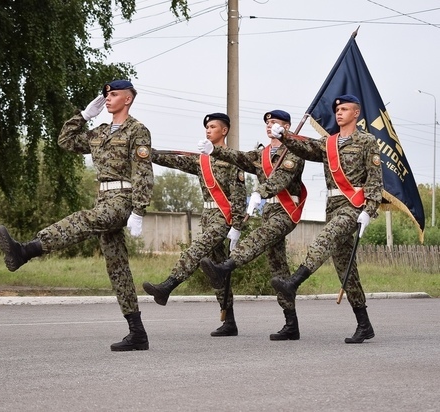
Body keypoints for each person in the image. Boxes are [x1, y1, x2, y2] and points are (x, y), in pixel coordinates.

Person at [0, 80, 154, 352]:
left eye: (113, 95)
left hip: (123, 198)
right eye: (106, 95)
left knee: (85, 219)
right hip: (104, 197)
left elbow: (143, 171)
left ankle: (28, 249)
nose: (107, 99)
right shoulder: (100, 132)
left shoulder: (137, 130)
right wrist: (83, 116)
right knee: (117, 266)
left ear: (127, 99)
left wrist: (139, 209)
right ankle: (137, 333)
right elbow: (65, 141)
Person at [269, 94, 383, 344]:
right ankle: (364, 324)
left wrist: (369, 210)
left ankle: (293, 282)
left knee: (325, 238)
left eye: (344, 109)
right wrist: (284, 136)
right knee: (345, 268)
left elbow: (374, 179)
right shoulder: (328, 143)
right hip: (332, 206)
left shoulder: (367, 142)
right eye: (337, 109)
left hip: (353, 206)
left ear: (357, 113)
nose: (339, 112)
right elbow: (305, 147)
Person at [197, 110, 307, 340]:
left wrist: (261, 191)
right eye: (267, 122)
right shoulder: (261, 154)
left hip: (286, 211)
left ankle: (225, 267)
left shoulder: (294, 151)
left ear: (287, 126)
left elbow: (282, 179)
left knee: (259, 236)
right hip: (269, 210)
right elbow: (239, 157)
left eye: (275, 122)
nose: (270, 125)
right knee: (278, 267)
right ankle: (291, 324)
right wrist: (215, 150)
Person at [143, 113, 246, 337]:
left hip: (223, 217)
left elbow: (239, 197)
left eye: (212, 127)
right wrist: (146, 153)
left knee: (197, 250)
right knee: (217, 271)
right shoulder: (201, 160)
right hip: (207, 216)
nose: (208, 130)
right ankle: (229, 321)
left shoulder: (231, 160)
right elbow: (174, 160)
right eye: (206, 127)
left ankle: (167, 286)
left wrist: (237, 226)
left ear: (224, 131)